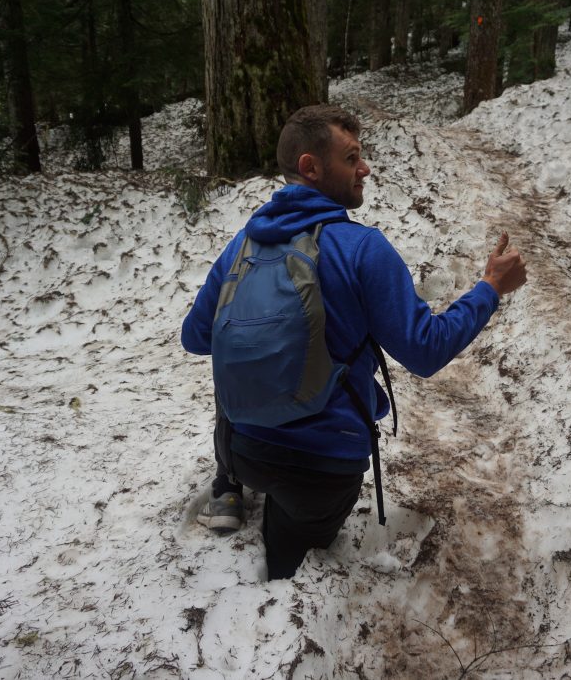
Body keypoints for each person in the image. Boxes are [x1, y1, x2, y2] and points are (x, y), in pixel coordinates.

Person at [181, 105, 527, 580]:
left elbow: (197, 337)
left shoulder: (242, 245)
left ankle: (233, 489)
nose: (365, 168)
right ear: (311, 167)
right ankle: (286, 552)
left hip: (244, 451)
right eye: (352, 158)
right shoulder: (362, 248)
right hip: (323, 467)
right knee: (302, 549)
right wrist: (489, 288)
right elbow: (425, 350)